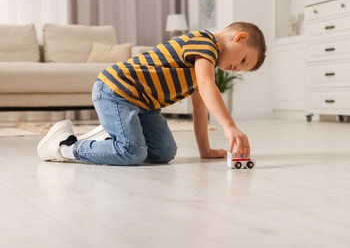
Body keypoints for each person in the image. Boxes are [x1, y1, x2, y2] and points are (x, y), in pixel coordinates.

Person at [37, 21, 267, 165]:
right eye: (243, 60)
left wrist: (205, 151)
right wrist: (229, 126)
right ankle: (65, 147)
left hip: (143, 105)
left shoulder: (204, 64)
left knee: (164, 153)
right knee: (133, 152)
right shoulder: (205, 42)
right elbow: (208, 86)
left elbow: (200, 109)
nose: (236, 68)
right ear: (240, 37)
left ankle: (113, 138)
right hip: (116, 90)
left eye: (242, 69)